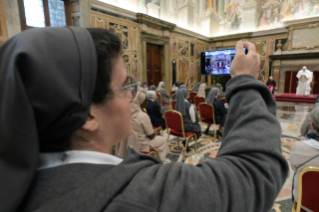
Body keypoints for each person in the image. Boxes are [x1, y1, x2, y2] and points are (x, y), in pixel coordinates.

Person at [0, 29, 288, 212]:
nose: (132, 95)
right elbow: (254, 172)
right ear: (87, 115)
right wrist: (246, 81)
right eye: (125, 86)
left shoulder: (19, 185)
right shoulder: (144, 195)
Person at [290, 106, 319, 203]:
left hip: (305, 204)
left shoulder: (299, 147)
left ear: (313, 125)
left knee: (299, 172)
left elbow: (293, 167)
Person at [131, 92, 170, 162]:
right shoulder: (143, 116)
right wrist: (155, 132)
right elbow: (151, 135)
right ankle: (161, 160)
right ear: (141, 103)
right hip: (143, 144)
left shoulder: (129, 113)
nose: (147, 102)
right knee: (162, 140)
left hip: (132, 143)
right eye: (145, 101)